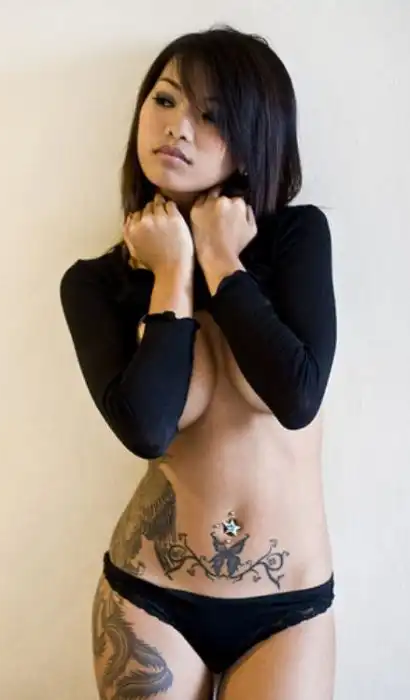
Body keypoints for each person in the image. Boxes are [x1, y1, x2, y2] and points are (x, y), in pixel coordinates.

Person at [60, 24, 337, 700]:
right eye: (165, 100)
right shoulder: (96, 284)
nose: (178, 127)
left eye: (212, 115)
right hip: (149, 597)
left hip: (288, 608)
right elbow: (147, 428)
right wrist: (172, 273)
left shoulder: (296, 239)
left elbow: (297, 396)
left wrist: (219, 257)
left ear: (253, 138)